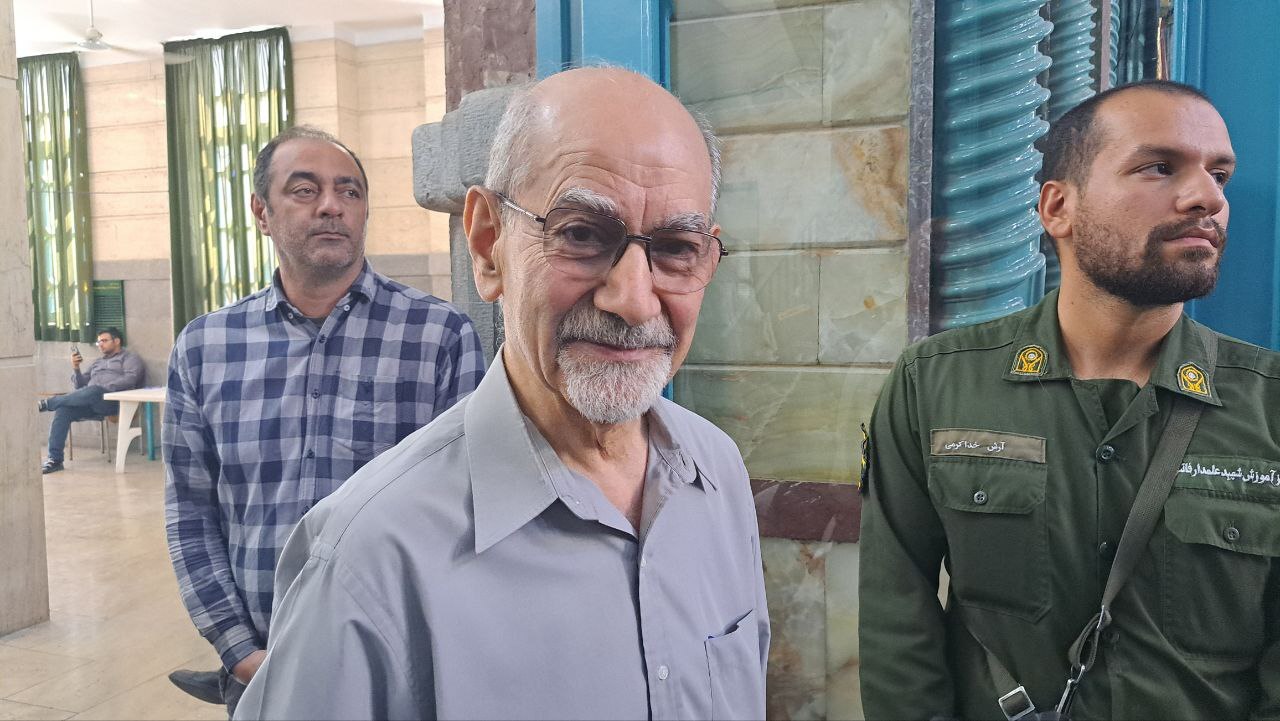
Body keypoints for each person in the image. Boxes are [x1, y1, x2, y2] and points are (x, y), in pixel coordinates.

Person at [233, 67, 770, 720]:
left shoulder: (716, 473)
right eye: (581, 234)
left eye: (677, 247)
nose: (634, 300)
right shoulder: (365, 562)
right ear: (489, 244)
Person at [859, 79, 1280, 720]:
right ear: (1059, 208)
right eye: (1159, 167)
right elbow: (898, 618)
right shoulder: (937, 384)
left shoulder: (1267, 407)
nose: (1208, 198)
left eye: (1218, 174)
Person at [164, 125, 486, 717]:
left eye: (349, 191)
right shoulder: (205, 348)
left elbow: (466, 511)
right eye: (304, 190)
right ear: (261, 212)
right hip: (258, 668)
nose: (331, 206)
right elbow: (190, 511)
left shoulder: (438, 337)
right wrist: (238, 651)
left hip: (394, 670)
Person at [38, 326, 145, 474]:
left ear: (117, 341)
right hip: (91, 402)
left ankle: (48, 404)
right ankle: (55, 460)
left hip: (114, 402)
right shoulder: (97, 363)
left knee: (94, 390)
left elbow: (130, 379)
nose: (100, 344)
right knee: (63, 410)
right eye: (99, 342)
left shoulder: (129, 358)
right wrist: (76, 368)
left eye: (104, 341)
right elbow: (80, 386)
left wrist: (103, 388)